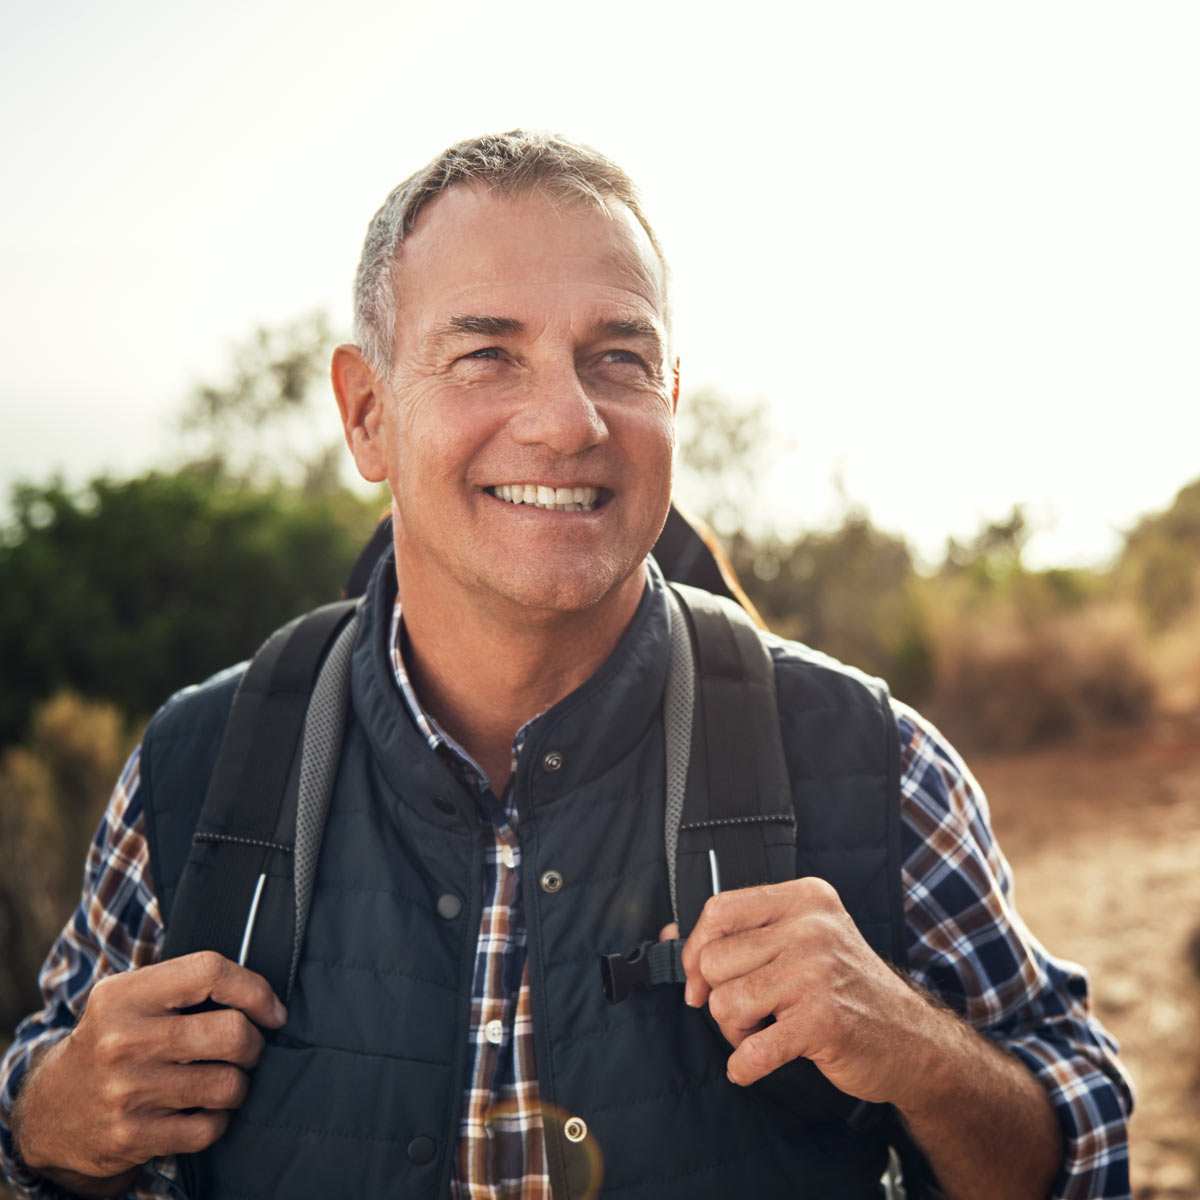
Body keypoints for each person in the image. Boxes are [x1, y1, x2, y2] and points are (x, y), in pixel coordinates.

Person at [0, 131, 1132, 1200]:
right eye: (486, 354)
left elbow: (1082, 1153)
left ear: (670, 401)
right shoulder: (198, 767)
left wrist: (920, 1054)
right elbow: (40, 1127)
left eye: (618, 358)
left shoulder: (877, 763)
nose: (567, 419)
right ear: (367, 413)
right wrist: (53, 1117)